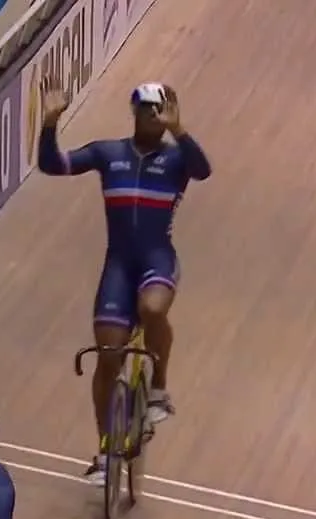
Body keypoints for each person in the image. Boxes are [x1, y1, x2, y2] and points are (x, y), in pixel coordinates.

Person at [36, 81, 212, 485]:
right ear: (133, 111)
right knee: (107, 356)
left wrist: (180, 130)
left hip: (156, 260)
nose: (153, 117)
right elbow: (53, 164)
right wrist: (49, 123)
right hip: (118, 265)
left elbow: (203, 170)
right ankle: (105, 450)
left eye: (160, 110)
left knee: (152, 309)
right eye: (147, 109)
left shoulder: (176, 159)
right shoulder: (108, 153)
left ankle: (159, 390)